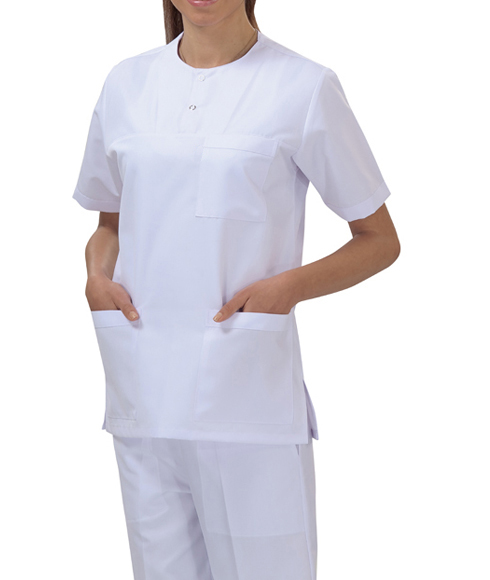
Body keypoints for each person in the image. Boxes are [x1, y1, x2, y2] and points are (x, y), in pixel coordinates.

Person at [72, 1, 400, 578]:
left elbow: (378, 240)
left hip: (247, 401)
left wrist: (287, 288)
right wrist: (97, 278)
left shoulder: (304, 86)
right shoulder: (125, 84)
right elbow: (110, 224)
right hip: (143, 397)